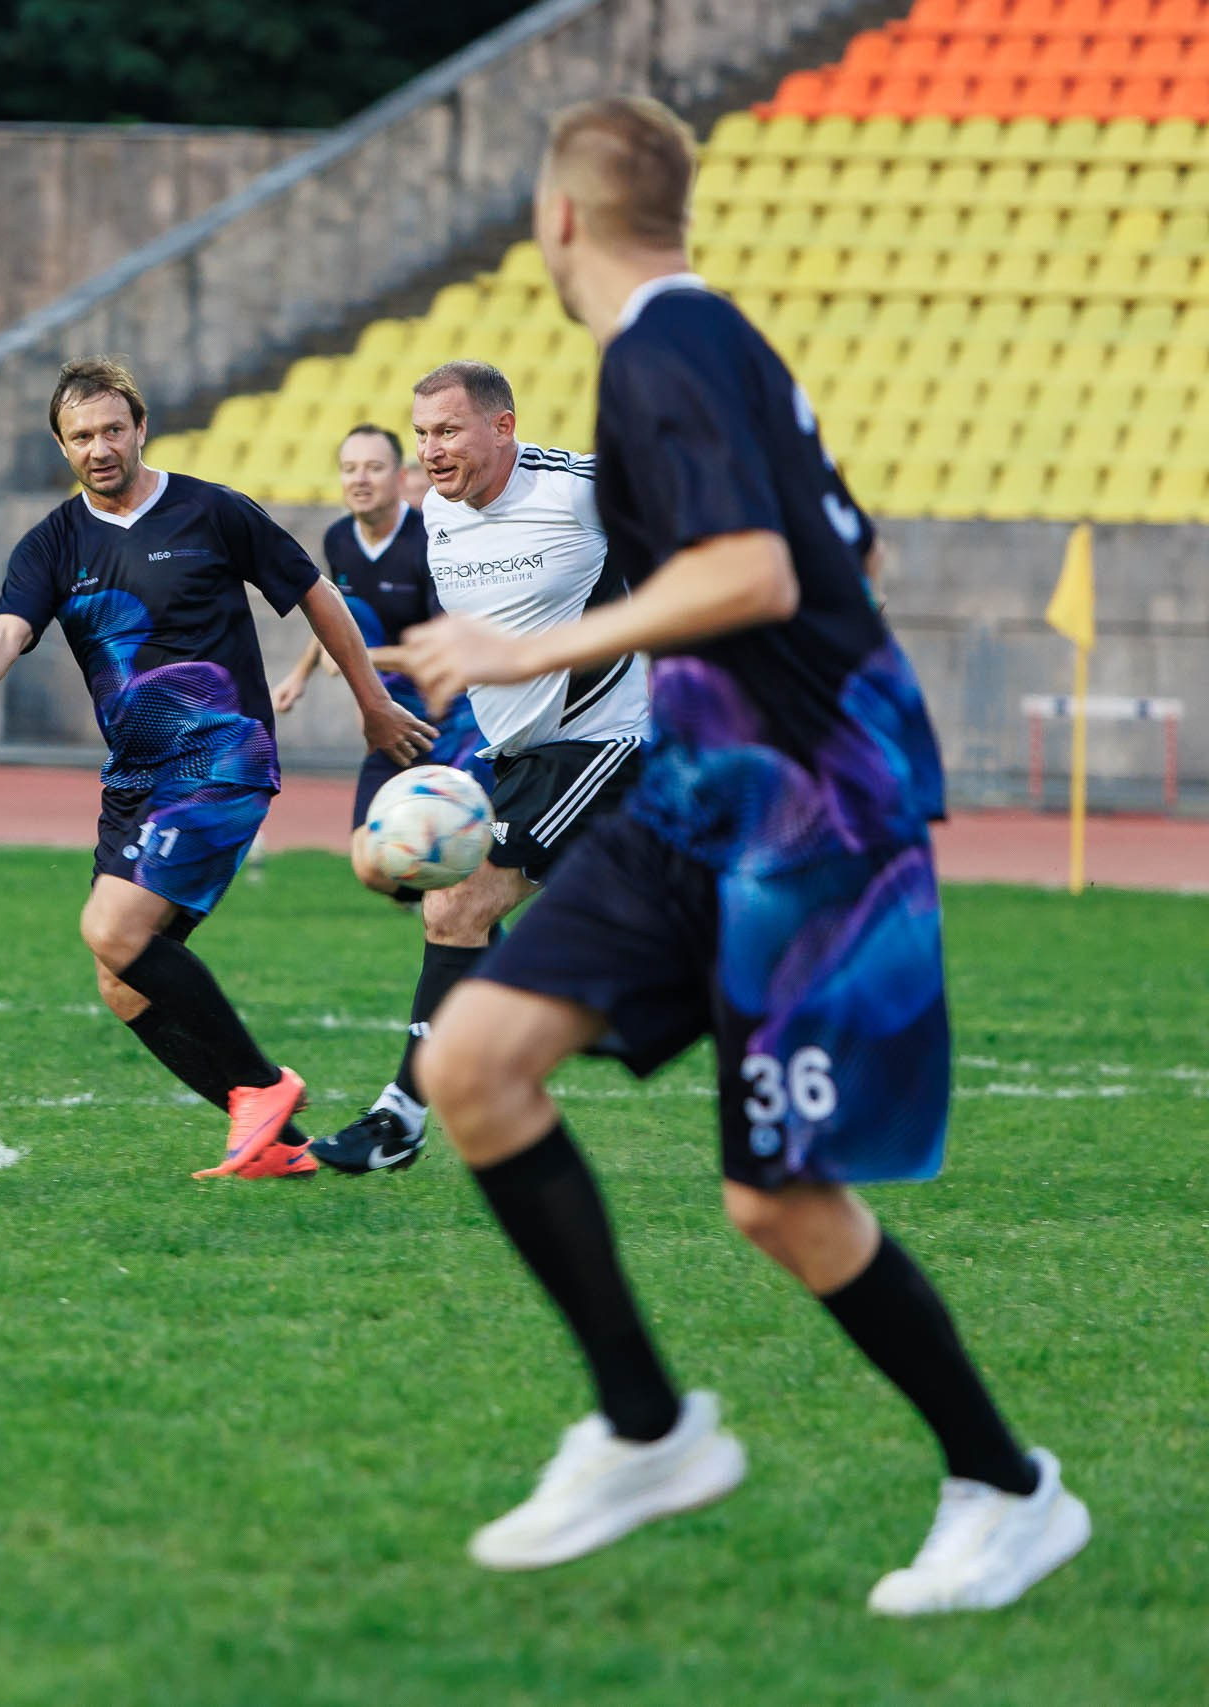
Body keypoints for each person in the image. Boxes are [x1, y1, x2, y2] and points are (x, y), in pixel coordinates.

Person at [397, 96, 1086, 1613]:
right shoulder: (714, 347)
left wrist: (527, 645)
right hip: (706, 790)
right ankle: (645, 1429)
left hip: (808, 810)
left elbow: (760, 568)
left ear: (559, 217)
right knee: (475, 1062)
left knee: (777, 1201)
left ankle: (1007, 1487)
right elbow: (852, 551)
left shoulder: (665, 348)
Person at [0, 358, 432, 1179]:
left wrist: (372, 703)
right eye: (82, 435)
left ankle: (262, 1085)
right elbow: (4, 631)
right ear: (62, 445)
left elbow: (316, 594)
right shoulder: (53, 543)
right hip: (136, 779)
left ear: (141, 428)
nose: (100, 447)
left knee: (113, 929)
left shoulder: (211, 510)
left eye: (113, 429)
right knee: (122, 980)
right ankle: (277, 1145)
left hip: (223, 754)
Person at [309, 362, 649, 1178]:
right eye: (422, 434)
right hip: (516, 755)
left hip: (605, 742)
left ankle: (407, 1112)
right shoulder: (440, 514)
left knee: (458, 902)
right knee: (447, 909)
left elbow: (703, 542)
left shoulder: (578, 489)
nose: (431, 450)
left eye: (449, 430)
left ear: (503, 427)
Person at [271, 420, 493, 891]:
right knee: (371, 867)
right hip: (391, 723)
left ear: (400, 477)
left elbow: (444, 652)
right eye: (350, 468)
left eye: (374, 467)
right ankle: (439, 907)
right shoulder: (338, 539)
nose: (360, 478)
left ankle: (464, 915)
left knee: (467, 864)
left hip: (454, 724)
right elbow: (337, 615)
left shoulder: (434, 540)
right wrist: (300, 675)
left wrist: (361, 660)